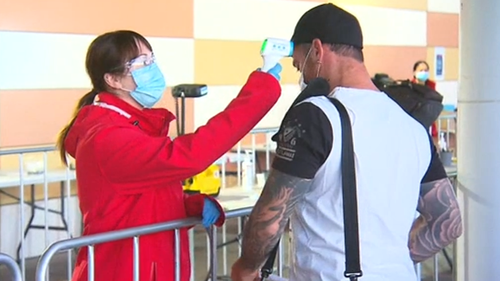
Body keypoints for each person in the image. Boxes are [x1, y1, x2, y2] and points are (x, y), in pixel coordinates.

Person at [231, 4, 462, 281]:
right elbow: (448, 222)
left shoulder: (317, 114)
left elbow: (270, 219)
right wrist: (387, 260)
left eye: (299, 65)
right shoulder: (412, 126)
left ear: (317, 50)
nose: (302, 78)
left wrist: (245, 268)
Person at [56, 30, 283, 281]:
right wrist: (260, 92)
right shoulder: (106, 136)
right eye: (142, 63)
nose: (152, 68)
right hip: (121, 269)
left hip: (151, 264)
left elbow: (135, 199)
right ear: (113, 79)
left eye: (152, 59)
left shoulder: (130, 126)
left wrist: (186, 204)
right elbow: (189, 156)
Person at [412, 60, 439, 139]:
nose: (424, 72)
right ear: (414, 72)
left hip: (429, 122)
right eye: (421, 70)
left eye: (426, 70)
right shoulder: (410, 86)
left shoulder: (431, 85)